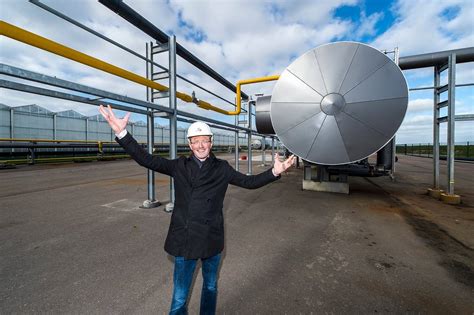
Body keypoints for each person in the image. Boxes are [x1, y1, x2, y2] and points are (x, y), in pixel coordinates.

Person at [99, 105, 296, 315]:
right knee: (179, 297)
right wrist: (122, 133)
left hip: (212, 239)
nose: (201, 145)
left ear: (211, 143)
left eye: (205, 140)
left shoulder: (222, 168)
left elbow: (249, 182)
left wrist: (274, 171)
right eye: (196, 141)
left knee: (210, 287)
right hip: (186, 240)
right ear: (190, 145)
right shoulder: (179, 166)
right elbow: (146, 159)